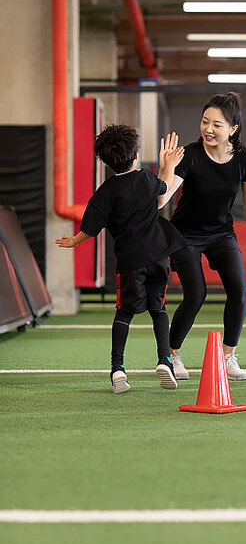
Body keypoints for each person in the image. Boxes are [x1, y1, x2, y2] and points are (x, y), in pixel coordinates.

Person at [55, 125, 186, 394]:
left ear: (105, 162)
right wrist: (168, 164)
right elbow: (164, 192)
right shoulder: (147, 180)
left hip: (130, 263)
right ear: (135, 155)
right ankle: (164, 360)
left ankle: (117, 369)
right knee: (159, 309)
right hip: (159, 257)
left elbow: (90, 228)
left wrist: (73, 241)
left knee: (124, 313)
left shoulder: (105, 191)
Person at [162, 92, 246, 381]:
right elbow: (162, 199)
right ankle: (172, 355)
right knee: (197, 294)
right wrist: (166, 168)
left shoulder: (244, 157)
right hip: (186, 235)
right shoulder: (190, 156)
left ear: (232, 129)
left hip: (222, 234)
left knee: (239, 291)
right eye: (205, 121)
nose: (208, 129)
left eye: (217, 124)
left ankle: (228, 356)